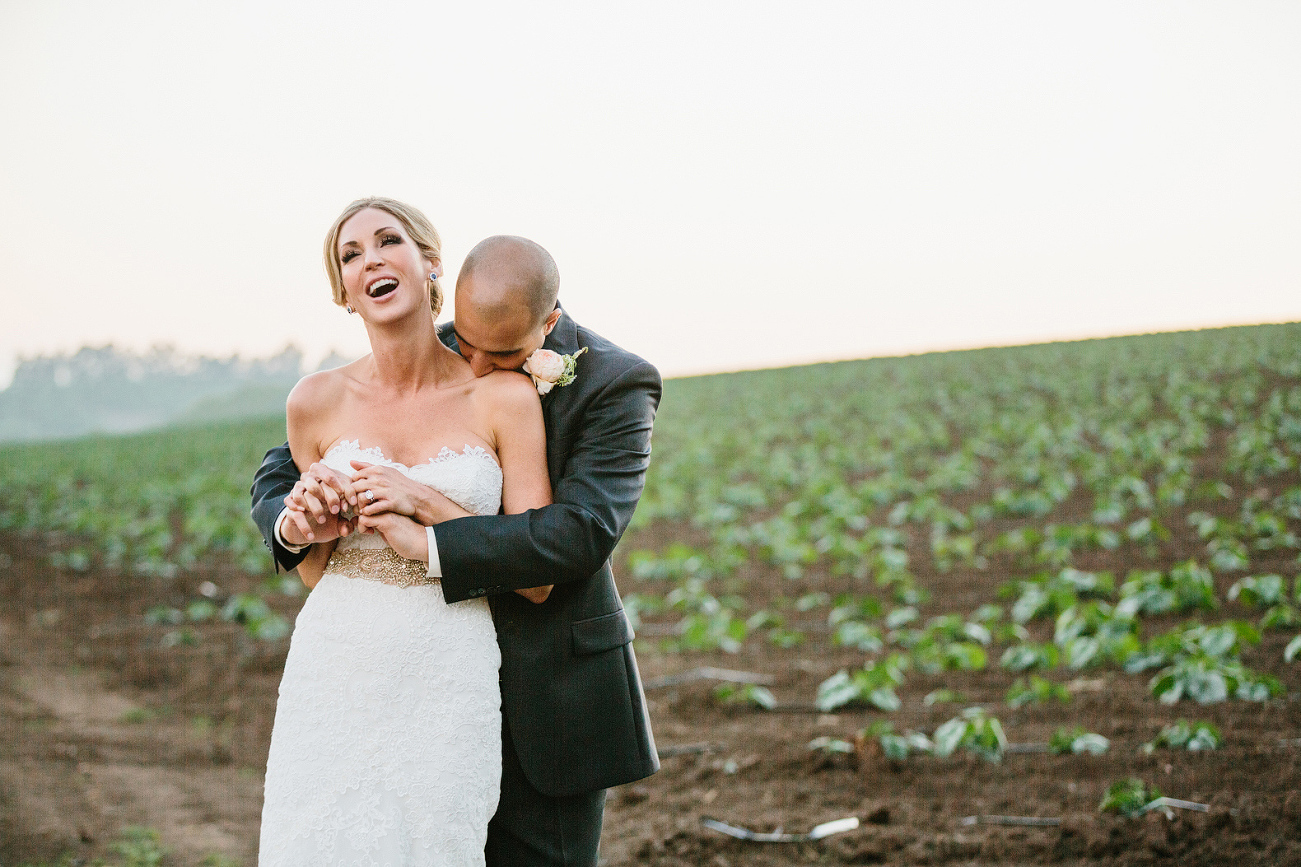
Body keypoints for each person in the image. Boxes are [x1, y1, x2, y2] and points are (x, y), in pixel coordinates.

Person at [251, 216, 661, 865]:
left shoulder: (617, 383)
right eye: (465, 342)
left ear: (546, 326)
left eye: (496, 357)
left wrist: (426, 509)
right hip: (384, 677)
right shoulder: (440, 348)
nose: (474, 364)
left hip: (544, 685)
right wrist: (293, 516)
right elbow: (287, 463)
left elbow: (574, 538)